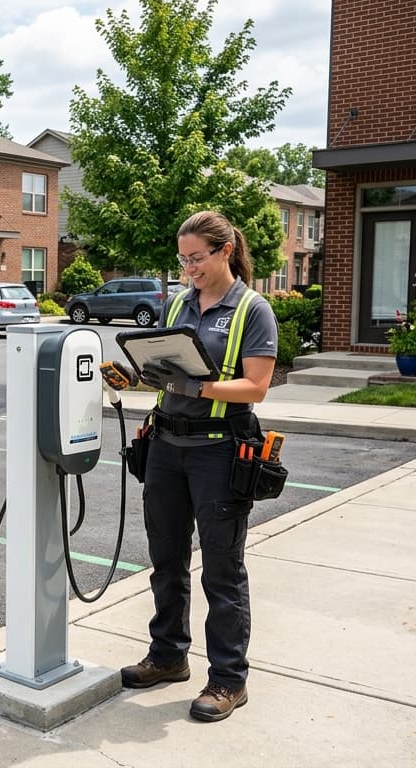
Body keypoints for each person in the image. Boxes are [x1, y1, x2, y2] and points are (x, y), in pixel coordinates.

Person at [119, 210, 279, 723]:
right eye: (182, 258)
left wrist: (198, 387)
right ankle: (168, 656)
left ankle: (229, 679)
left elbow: (255, 387)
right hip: (166, 444)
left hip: (219, 450)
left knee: (222, 570)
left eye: (196, 258)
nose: (188, 268)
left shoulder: (253, 310)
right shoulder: (181, 302)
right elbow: (168, 370)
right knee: (165, 559)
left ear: (224, 251)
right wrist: (140, 377)